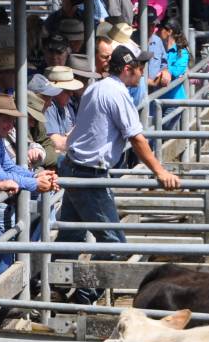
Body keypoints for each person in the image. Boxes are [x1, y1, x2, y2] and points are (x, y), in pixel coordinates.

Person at [56, 42, 182, 304]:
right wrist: (160, 171)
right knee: (114, 245)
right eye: (140, 67)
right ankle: (84, 295)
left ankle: (55, 287)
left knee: (71, 233)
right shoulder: (116, 93)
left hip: (76, 166)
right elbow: (136, 138)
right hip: (89, 173)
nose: (142, 72)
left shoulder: (97, 88)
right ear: (128, 68)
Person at [0, 94, 59, 232]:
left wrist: (36, 176)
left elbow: (8, 167)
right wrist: (35, 183)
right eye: (6, 120)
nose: (11, 126)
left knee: (12, 234)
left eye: (12, 121)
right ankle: (36, 250)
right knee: (11, 231)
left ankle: (39, 250)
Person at [41, 66, 84, 153]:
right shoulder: (49, 106)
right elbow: (57, 143)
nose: (71, 94)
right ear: (54, 90)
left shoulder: (64, 106)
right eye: (67, 90)